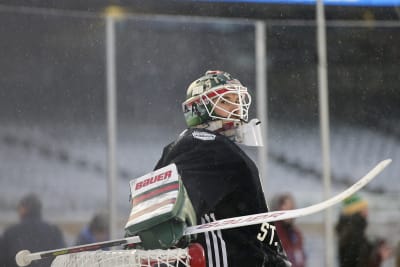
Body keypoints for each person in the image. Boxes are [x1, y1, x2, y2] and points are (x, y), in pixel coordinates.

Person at [152, 70, 290, 266]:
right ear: (199, 108)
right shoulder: (204, 143)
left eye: (238, 99)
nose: (237, 106)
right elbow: (177, 209)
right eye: (225, 101)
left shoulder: (206, 144)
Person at [0, 193, 66, 267]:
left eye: (19, 207)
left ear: (24, 209)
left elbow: (2, 260)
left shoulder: (10, 233)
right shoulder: (53, 231)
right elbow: (62, 257)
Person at [335, 194, 392, 267]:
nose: (367, 211)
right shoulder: (354, 230)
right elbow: (357, 260)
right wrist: (379, 257)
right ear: (357, 210)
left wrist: (376, 248)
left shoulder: (351, 228)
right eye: (364, 208)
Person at [270, 193, 306, 267]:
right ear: (279, 209)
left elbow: (301, 258)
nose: (289, 213)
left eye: (291, 209)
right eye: (287, 209)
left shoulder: (296, 234)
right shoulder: (273, 232)